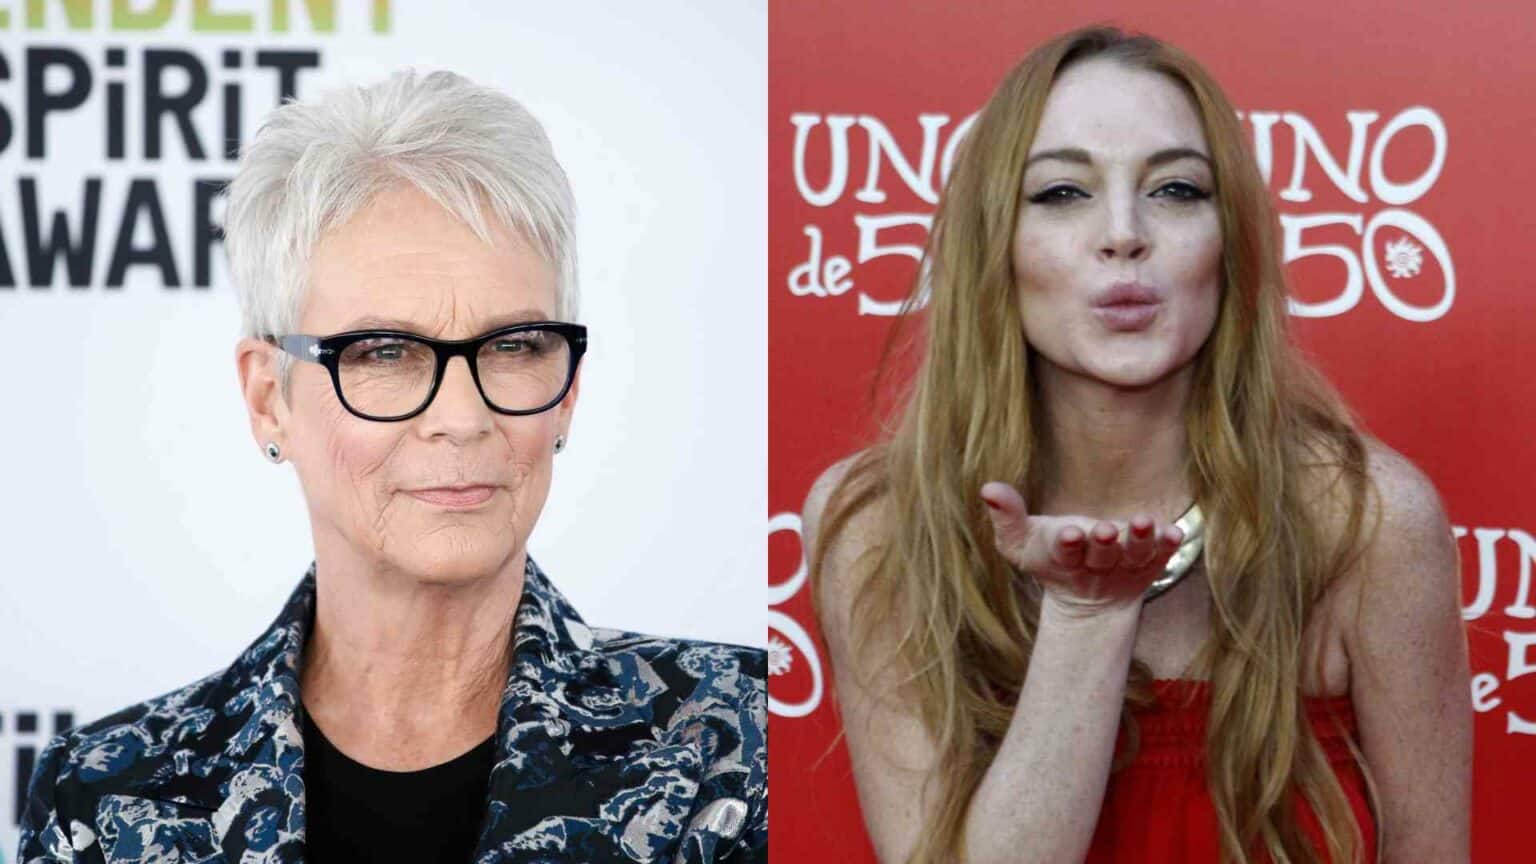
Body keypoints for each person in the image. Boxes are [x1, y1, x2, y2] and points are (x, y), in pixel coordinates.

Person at [17, 70, 766, 864]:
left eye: (514, 346)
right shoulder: (106, 797)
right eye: (384, 352)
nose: (461, 419)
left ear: (569, 390)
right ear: (269, 398)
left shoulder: (743, 746)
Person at [804, 26, 1469, 864]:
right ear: (992, 245)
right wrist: (1087, 615)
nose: (1123, 233)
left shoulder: (1370, 522)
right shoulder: (878, 525)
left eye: (1177, 189)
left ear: (1232, 242)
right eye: (1061, 193)